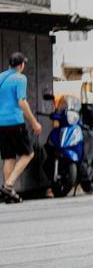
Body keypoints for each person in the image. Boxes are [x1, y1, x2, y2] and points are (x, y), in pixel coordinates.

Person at [0, 52, 42, 203]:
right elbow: (22, 102)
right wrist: (34, 122)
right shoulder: (20, 78)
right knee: (28, 154)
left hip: (1, 124)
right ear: (21, 65)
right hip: (15, 122)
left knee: (8, 157)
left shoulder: (1, 77)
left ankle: (8, 193)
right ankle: (9, 184)